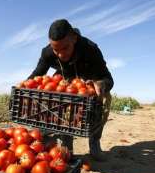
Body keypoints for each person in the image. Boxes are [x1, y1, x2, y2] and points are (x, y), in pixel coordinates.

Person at [28, 19, 113, 161]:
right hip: (66, 82)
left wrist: (100, 85)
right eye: (56, 50)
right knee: (62, 102)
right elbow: (36, 75)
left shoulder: (91, 49)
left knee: (104, 100)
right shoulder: (48, 52)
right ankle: (66, 141)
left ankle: (95, 141)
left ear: (74, 38)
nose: (60, 55)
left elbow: (108, 78)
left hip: (88, 83)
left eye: (65, 48)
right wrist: (24, 84)